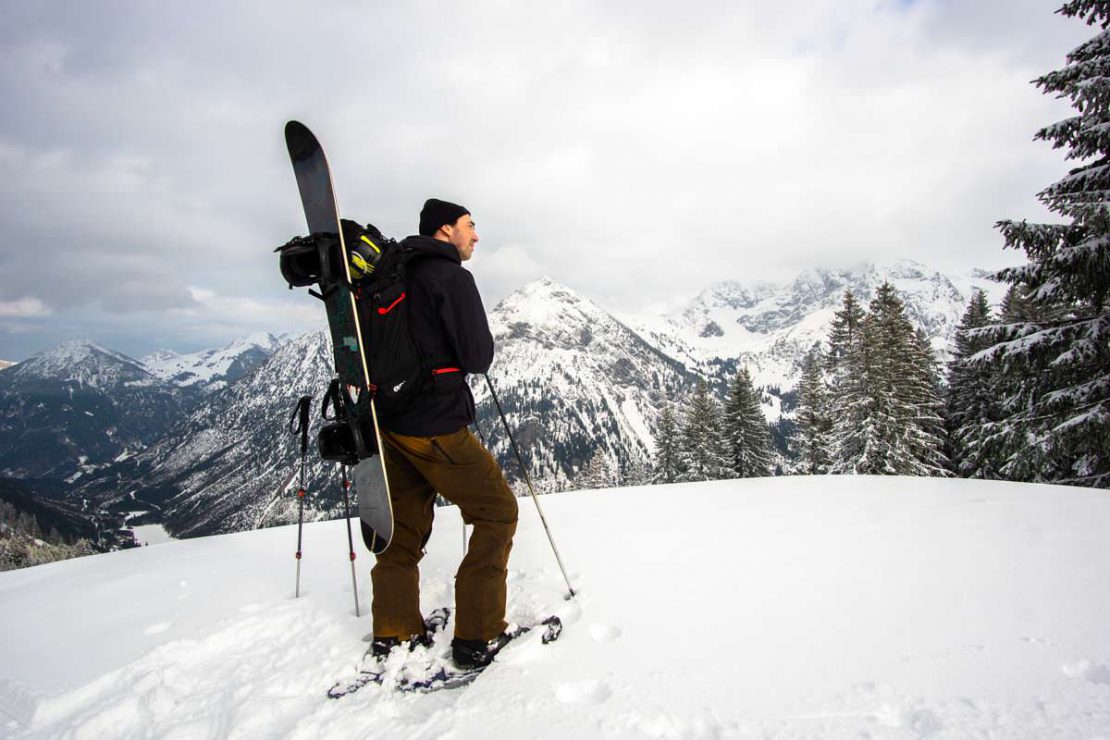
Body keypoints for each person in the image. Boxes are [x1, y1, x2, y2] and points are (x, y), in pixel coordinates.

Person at [369, 198, 519, 670]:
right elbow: (476, 357)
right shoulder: (451, 277)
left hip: (389, 424)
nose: (475, 236)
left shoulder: (391, 275)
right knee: (496, 512)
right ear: (445, 229)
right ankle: (478, 635)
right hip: (435, 425)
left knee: (404, 527)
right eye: (470, 226)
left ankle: (394, 630)